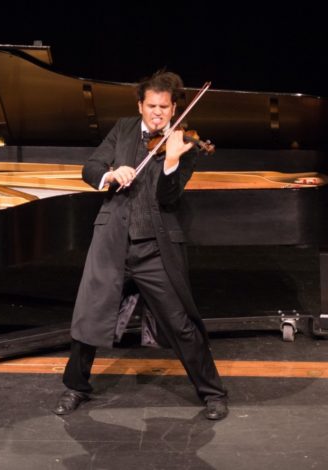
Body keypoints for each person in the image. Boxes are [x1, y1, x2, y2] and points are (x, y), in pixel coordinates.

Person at [53, 71, 229, 420]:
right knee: (89, 319)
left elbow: (169, 196)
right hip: (112, 241)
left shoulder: (186, 143)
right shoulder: (124, 128)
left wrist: (174, 159)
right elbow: (90, 167)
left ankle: (213, 393)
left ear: (174, 107)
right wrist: (110, 174)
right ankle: (76, 388)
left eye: (164, 107)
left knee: (180, 323)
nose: (158, 113)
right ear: (140, 105)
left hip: (154, 248)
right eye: (152, 106)